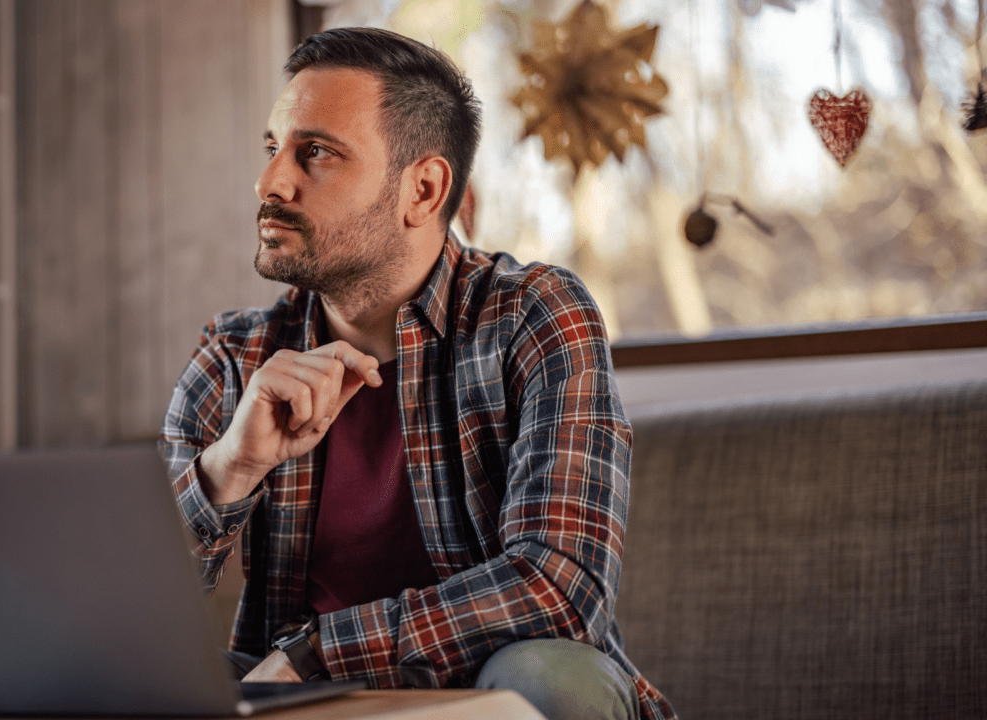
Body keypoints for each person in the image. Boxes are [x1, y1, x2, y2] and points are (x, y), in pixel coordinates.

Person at [159, 27, 675, 720]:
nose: (270, 181)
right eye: (273, 148)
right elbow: (131, 614)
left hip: (476, 691)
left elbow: (560, 586)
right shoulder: (235, 356)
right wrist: (229, 469)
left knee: (554, 678)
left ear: (424, 190)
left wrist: (320, 653)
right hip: (296, 695)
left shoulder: (535, 316)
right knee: (141, 684)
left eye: (316, 153)